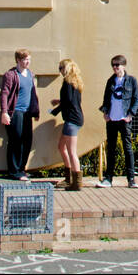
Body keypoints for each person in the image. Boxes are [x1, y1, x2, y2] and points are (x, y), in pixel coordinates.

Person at [97, 55, 138, 188]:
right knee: (111, 149)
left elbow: (135, 99)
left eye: (117, 65)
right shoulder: (111, 81)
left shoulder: (131, 81)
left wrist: (130, 114)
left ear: (123, 65)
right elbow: (106, 98)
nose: (115, 67)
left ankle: (131, 179)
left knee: (127, 149)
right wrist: (105, 112)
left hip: (124, 120)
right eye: (113, 65)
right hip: (111, 119)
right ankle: (108, 178)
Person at [0, 49, 39, 180]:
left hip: (27, 113)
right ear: (18, 60)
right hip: (15, 112)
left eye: (29, 59)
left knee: (27, 141)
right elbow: (4, 94)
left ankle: (21, 169)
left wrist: (36, 111)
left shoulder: (30, 75)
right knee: (16, 141)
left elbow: (33, 94)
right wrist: (4, 112)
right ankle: (14, 171)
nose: (27, 62)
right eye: (25, 59)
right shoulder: (10, 75)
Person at [50, 59, 85, 191]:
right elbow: (71, 100)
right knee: (61, 147)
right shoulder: (75, 82)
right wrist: (59, 101)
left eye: (61, 68)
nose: (59, 70)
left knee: (71, 152)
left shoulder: (67, 83)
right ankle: (69, 178)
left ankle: (76, 183)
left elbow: (68, 102)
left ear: (67, 68)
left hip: (72, 120)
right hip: (73, 119)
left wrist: (55, 110)